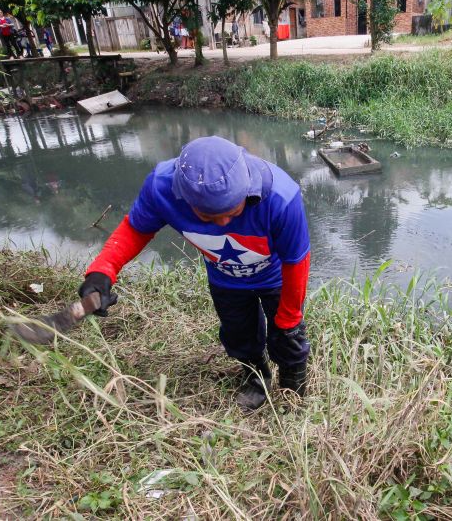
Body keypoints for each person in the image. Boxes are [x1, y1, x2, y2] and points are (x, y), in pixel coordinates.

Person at [78, 136, 312, 411]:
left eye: (233, 211)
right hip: (225, 278)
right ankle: (255, 377)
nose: (223, 224)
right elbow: (137, 228)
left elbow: (296, 260)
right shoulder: (161, 188)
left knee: (287, 335)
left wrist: (289, 319)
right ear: (184, 199)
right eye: (209, 217)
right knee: (238, 334)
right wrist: (103, 270)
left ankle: (292, 386)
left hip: (276, 276)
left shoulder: (281, 197)